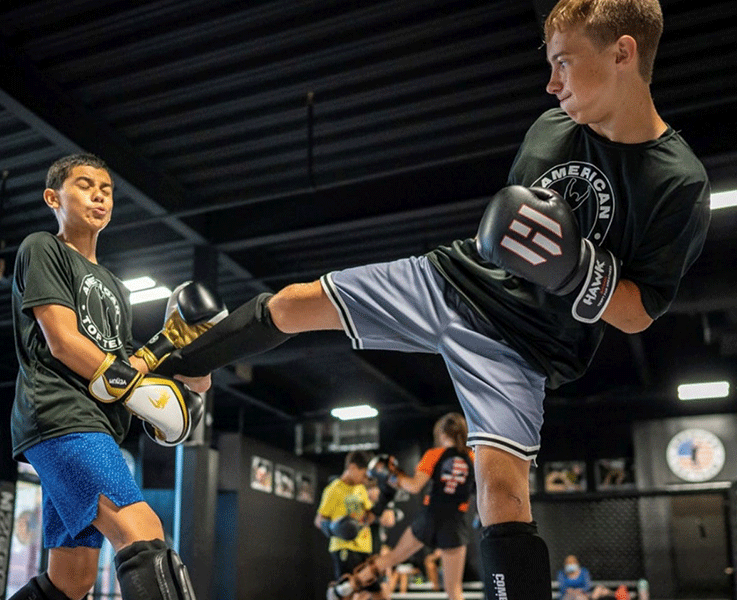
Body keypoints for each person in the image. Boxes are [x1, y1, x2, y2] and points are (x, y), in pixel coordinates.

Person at [154, 0, 710, 596]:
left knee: (501, 493)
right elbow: (505, 240)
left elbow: (639, 312)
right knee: (294, 301)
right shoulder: (551, 128)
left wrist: (576, 270)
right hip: (447, 279)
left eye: (564, 64)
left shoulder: (676, 180)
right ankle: (174, 373)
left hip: (525, 345)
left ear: (622, 52)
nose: (551, 84)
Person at [7, 153, 216, 600]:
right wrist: (139, 390)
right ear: (53, 197)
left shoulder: (116, 288)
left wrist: (172, 349)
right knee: (143, 532)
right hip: (61, 416)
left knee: (72, 580)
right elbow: (63, 341)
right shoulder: (42, 248)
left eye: (107, 189)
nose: (100, 195)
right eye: (85, 185)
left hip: (95, 425)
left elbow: (120, 366)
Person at [329, 413, 474, 600]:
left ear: (441, 433)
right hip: (455, 523)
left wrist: (393, 473)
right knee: (454, 591)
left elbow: (413, 486)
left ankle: (344, 588)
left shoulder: (434, 455)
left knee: (393, 557)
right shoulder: (473, 458)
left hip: (430, 518)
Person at [315, 451, 390, 600]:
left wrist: (382, 503)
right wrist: (333, 528)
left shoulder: (361, 489)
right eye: (363, 474)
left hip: (364, 548)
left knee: (379, 593)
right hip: (344, 548)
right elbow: (318, 520)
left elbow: (369, 517)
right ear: (352, 467)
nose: (365, 479)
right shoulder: (333, 489)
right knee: (347, 593)